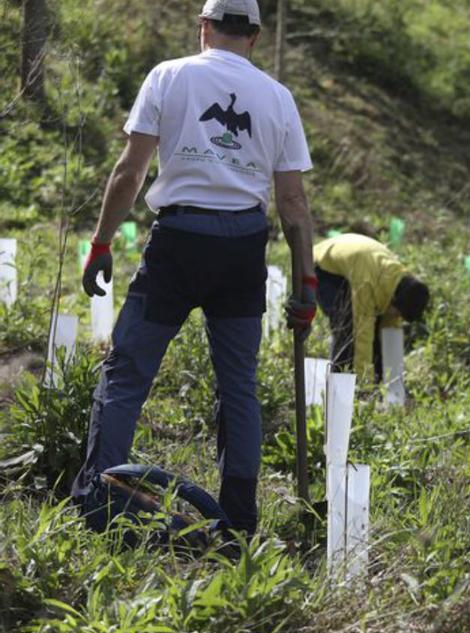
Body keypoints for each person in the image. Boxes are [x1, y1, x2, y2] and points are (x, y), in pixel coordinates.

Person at [74, 0, 318, 537]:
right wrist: (307, 282)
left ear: (204, 28)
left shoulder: (169, 76)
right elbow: (294, 203)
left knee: (128, 373)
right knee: (239, 388)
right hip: (242, 248)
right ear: (254, 35)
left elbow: (129, 170)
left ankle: (99, 499)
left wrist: (101, 242)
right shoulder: (277, 98)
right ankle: (238, 521)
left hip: (179, 242)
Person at [313, 233, 429, 381]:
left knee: (378, 327)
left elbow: (389, 332)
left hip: (355, 264)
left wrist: (394, 381)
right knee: (347, 328)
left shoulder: (398, 284)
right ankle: (340, 385)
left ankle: (379, 384)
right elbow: (362, 333)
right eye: (398, 313)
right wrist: (364, 383)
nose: (397, 317)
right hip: (324, 267)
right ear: (394, 300)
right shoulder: (368, 284)